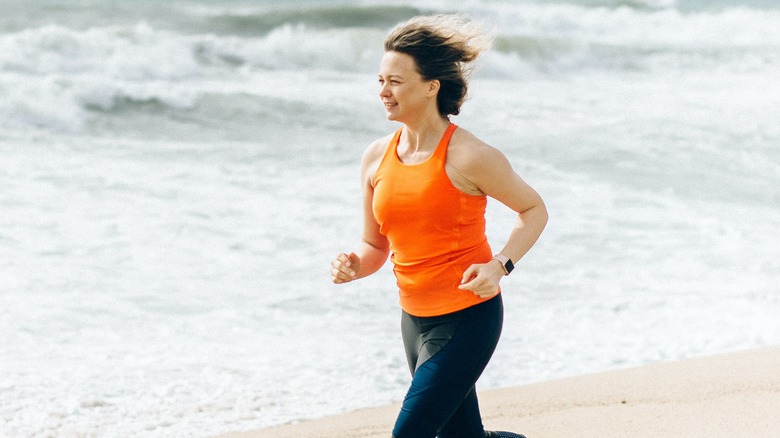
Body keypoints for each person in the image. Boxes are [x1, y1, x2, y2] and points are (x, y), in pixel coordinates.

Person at [330, 14, 548, 438]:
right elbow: (374, 245)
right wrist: (354, 264)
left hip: (468, 318)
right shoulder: (376, 157)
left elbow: (534, 210)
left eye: (395, 81)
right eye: (380, 80)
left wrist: (500, 265)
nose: (383, 92)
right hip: (414, 320)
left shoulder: (470, 155)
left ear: (432, 86)